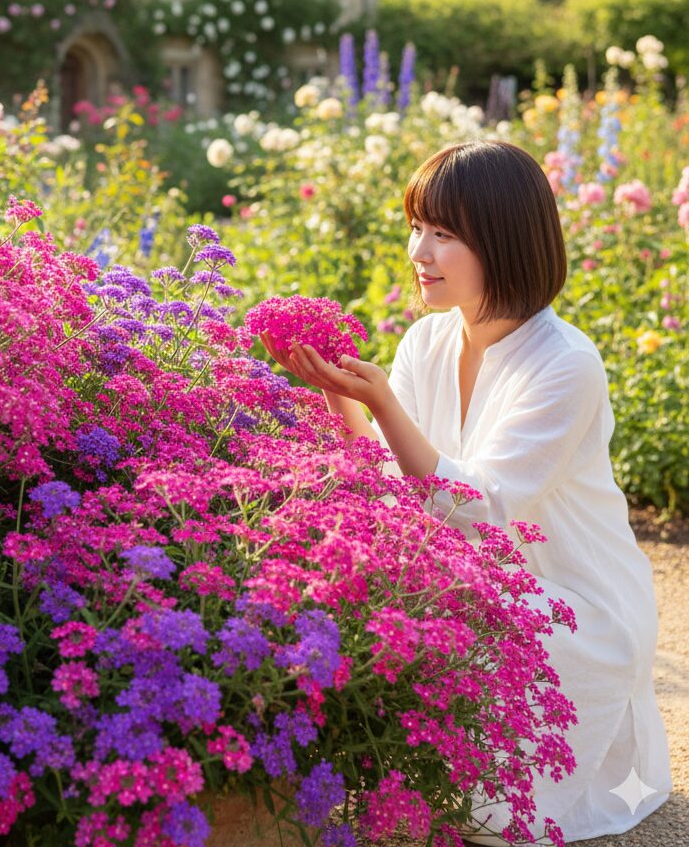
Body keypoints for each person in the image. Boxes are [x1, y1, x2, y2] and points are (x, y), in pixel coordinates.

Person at [261, 141, 671, 843]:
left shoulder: (566, 363)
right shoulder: (427, 341)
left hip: (576, 606)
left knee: (483, 810)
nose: (420, 250)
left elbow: (480, 510)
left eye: (443, 234)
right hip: (471, 580)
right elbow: (393, 491)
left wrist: (385, 404)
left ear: (504, 239)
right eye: (417, 227)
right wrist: (340, 399)